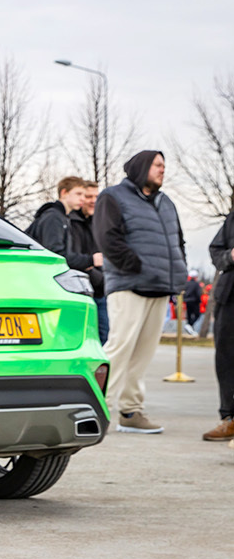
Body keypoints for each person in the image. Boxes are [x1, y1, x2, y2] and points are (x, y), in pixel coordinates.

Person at [94, 150, 187, 434]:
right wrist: (135, 266)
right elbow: (107, 238)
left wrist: (178, 270)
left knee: (142, 354)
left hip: (160, 286)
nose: (162, 169)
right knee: (119, 348)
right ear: (141, 166)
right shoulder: (113, 197)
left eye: (164, 165)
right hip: (129, 285)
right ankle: (97, 410)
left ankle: (131, 411)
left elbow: (178, 241)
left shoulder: (166, 202)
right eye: (157, 164)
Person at [27, 175, 103, 282]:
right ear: (64, 193)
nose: (82, 198)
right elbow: (54, 256)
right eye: (78, 194)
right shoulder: (53, 217)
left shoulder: (62, 218)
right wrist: (90, 260)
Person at [206, 209, 234, 443]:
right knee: (226, 358)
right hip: (230, 296)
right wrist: (230, 256)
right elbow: (216, 250)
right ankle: (229, 417)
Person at [69, 180, 108, 342]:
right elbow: (73, 259)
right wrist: (94, 271)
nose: (93, 201)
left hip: (100, 291)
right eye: (88, 196)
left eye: (96, 197)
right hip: (81, 290)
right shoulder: (70, 223)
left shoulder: (99, 223)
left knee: (105, 338)